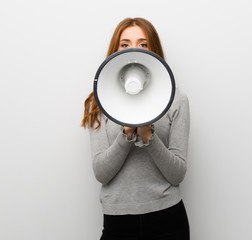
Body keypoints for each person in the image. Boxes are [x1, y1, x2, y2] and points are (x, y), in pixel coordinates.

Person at [82, 17, 191, 240]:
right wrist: (126, 134)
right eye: (125, 44)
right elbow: (101, 174)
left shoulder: (177, 99)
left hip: (168, 219)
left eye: (143, 44)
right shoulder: (99, 102)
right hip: (118, 220)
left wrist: (148, 136)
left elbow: (177, 174)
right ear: (115, 50)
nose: (134, 50)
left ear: (154, 50)